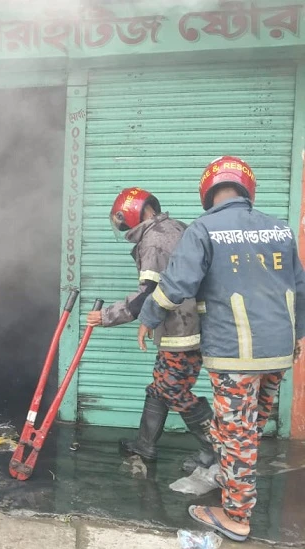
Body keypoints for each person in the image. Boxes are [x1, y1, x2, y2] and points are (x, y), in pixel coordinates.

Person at [138, 156, 305, 542]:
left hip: (235, 353)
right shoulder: (278, 229)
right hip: (279, 351)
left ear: (208, 190)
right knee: (251, 427)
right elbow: (299, 286)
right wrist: (300, 333)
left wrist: (149, 315)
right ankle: (235, 484)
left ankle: (236, 516)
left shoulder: (204, 229)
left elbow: (176, 284)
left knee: (235, 435)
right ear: (247, 187)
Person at [87, 188, 213, 473]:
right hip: (182, 324)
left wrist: (106, 316)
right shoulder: (174, 227)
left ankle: (215, 447)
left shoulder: (154, 240)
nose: (121, 224)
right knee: (161, 386)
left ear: (133, 211)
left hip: (183, 328)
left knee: (173, 389)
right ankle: (145, 445)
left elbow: (149, 293)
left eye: (120, 217)